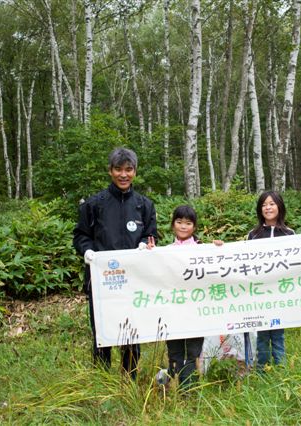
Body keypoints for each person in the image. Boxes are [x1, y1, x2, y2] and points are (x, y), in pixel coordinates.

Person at [73, 147, 157, 379]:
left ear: (135, 172)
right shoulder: (94, 204)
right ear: (110, 171)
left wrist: (145, 245)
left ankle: (129, 380)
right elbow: (80, 235)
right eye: (118, 169)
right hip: (102, 282)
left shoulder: (144, 205)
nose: (123, 175)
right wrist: (87, 251)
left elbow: (151, 235)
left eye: (128, 170)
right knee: (103, 333)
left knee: (132, 332)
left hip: (134, 282)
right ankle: (102, 381)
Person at [160, 205, 223, 389]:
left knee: (193, 351)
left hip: (196, 312)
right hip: (173, 311)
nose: (183, 226)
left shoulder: (203, 250)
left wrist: (219, 249)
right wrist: (148, 252)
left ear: (194, 227)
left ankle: (189, 391)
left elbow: (216, 272)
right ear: (173, 224)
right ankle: (172, 389)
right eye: (179, 222)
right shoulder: (165, 251)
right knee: (174, 351)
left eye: (188, 223)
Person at [248, 191, 295, 369]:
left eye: (272, 204)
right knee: (261, 333)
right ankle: (262, 368)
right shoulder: (253, 234)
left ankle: (281, 368)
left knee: (278, 332)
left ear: (279, 206)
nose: (268, 208)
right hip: (260, 292)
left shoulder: (289, 233)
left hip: (281, 292)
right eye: (264, 205)